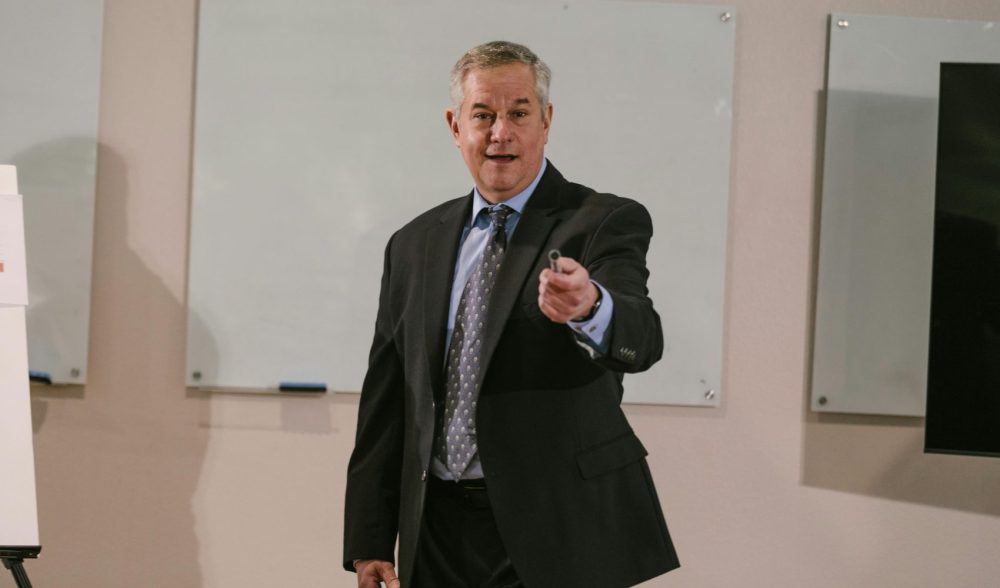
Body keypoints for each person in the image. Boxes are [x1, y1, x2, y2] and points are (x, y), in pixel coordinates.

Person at [344, 40, 679, 587]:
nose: (500, 132)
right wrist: (370, 536)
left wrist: (590, 306)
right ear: (455, 126)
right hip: (436, 530)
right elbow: (387, 396)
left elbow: (641, 336)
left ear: (546, 122)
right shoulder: (412, 244)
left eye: (519, 114)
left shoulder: (601, 220)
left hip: (556, 527)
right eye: (483, 115)